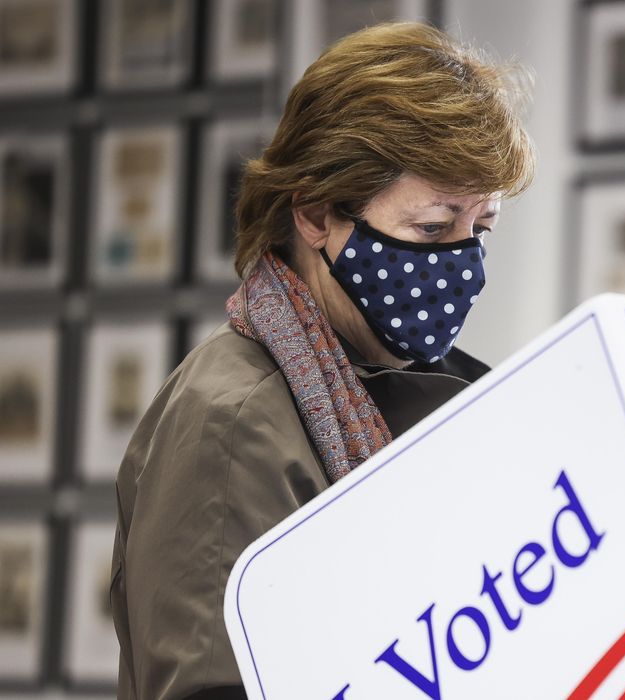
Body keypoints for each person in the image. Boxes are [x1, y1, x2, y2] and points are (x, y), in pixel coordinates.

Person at [109, 23, 533, 699]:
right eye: (431, 227)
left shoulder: (447, 397)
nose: (465, 266)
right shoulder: (231, 421)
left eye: (479, 229)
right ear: (312, 215)